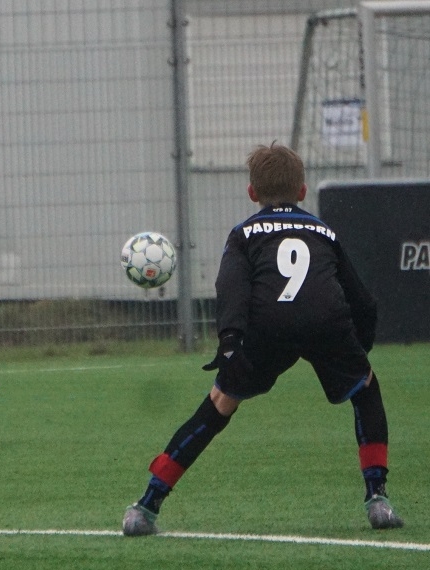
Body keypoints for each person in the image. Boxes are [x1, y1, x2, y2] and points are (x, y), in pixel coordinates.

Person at [122, 143, 403, 536]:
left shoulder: (244, 234)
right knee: (366, 390)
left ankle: (146, 507)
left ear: (252, 192)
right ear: (303, 190)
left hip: (268, 325)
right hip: (325, 322)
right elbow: (362, 300)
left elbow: (231, 288)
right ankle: (378, 500)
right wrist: (360, 348)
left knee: (219, 405)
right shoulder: (324, 232)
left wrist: (230, 341)